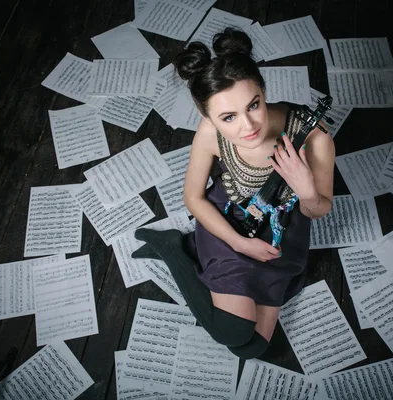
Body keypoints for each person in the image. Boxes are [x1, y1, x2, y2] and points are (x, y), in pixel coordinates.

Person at [132, 27, 335, 359]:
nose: (248, 126)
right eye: (228, 117)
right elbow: (193, 197)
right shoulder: (210, 132)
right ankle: (173, 249)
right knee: (233, 331)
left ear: (263, 91)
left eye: (254, 105)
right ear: (207, 116)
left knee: (251, 348)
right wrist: (238, 242)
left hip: (281, 234)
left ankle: (178, 248)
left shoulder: (316, 137)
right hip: (228, 225)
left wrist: (307, 191)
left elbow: (317, 210)